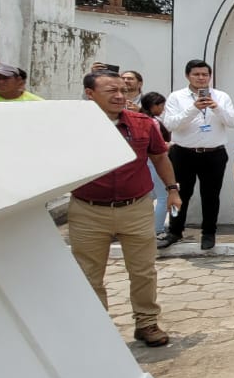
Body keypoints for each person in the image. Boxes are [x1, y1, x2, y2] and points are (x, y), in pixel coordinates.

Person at [68, 70, 183, 347]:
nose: (120, 96)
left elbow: (159, 158)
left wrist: (172, 190)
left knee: (143, 270)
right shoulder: (73, 126)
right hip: (88, 210)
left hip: (136, 207)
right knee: (88, 273)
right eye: (111, 91)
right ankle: (97, 328)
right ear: (90, 94)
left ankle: (146, 323)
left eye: (123, 90)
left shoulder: (143, 124)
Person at [160, 59, 234, 250]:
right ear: (188, 76)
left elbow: (232, 122)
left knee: (211, 196)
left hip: (214, 154)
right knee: (179, 193)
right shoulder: (176, 97)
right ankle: (175, 231)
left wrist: (216, 107)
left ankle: (209, 233)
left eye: (205, 74)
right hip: (182, 154)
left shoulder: (221, 96)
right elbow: (170, 124)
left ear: (210, 76)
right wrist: (194, 108)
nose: (201, 78)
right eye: (196, 74)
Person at [141, 92, 173, 238]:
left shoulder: (141, 119)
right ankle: (157, 229)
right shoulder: (152, 122)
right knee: (163, 196)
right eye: (161, 106)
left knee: (150, 195)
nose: (163, 109)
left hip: (145, 162)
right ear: (154, 106)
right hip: (155, 161)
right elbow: (157, 146)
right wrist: (169, 145)